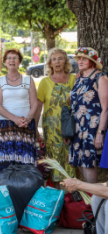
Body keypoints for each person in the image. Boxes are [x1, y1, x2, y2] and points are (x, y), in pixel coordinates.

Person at [0, 49, 38, 182]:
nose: (12, 60)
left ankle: (27, 190)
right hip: (5, 126)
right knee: (4, 162)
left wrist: (28, 119)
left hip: (26, 126)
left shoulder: (29, 80)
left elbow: (34, 104)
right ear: (5, 62)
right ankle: (3, 193)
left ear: (19, 62)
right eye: (9, 58)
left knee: (25, 161)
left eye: (15, 58)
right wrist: (15, 119)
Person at [64, 47, 108, 183]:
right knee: (81, 164)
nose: (80, 61)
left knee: (89, 164)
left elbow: (106, 108)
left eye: (84, 59)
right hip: (77, 128)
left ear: (92, 62)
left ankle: (93, 201)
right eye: (79, 59)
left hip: (92, 128)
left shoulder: (100, 78)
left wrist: (100, 132)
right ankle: (87, 201)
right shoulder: (79, 77)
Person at [35, 48, 76, 188]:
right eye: (54, 59)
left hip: (70, 126)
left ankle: (72, 191)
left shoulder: (73, 79)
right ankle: (57, 191)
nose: (57, 62)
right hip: (51, 129)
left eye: (60, 58)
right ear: (50, 63)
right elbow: (38, 107)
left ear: (65, 61)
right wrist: (35, 128)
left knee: (70, 157)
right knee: (55, 158)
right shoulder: (45, 82)